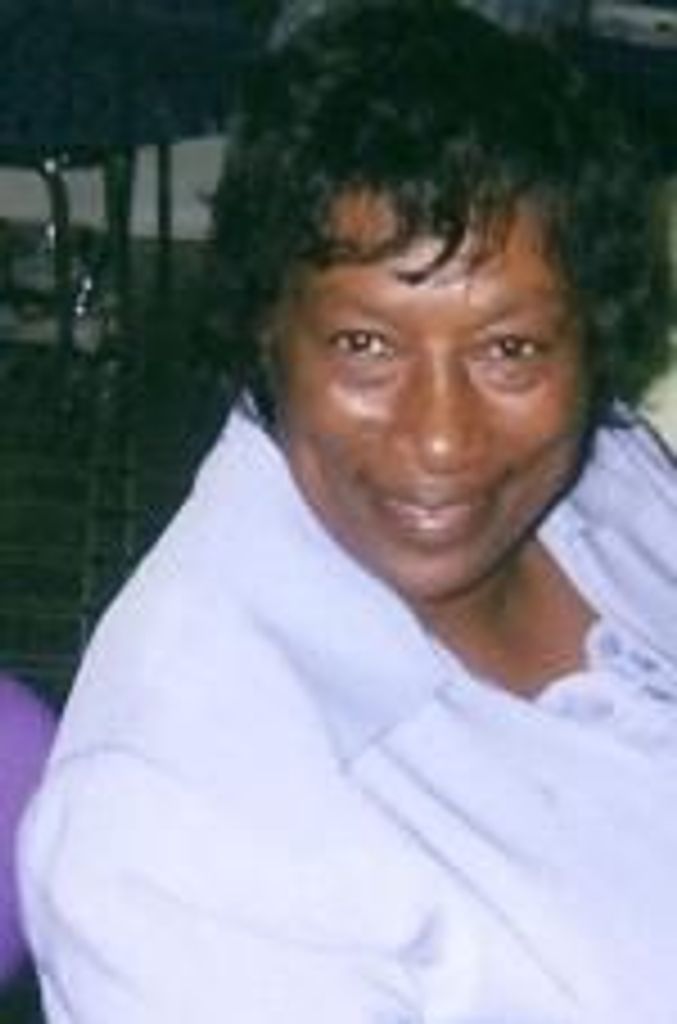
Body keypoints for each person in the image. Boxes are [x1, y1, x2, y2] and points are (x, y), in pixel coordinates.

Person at [18, 1, 677, 1021]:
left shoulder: (603, 469)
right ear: (263, 328)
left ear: (589, 342)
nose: (441, 439)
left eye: (509, 350)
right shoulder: (177, 827)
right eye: (364, 347)